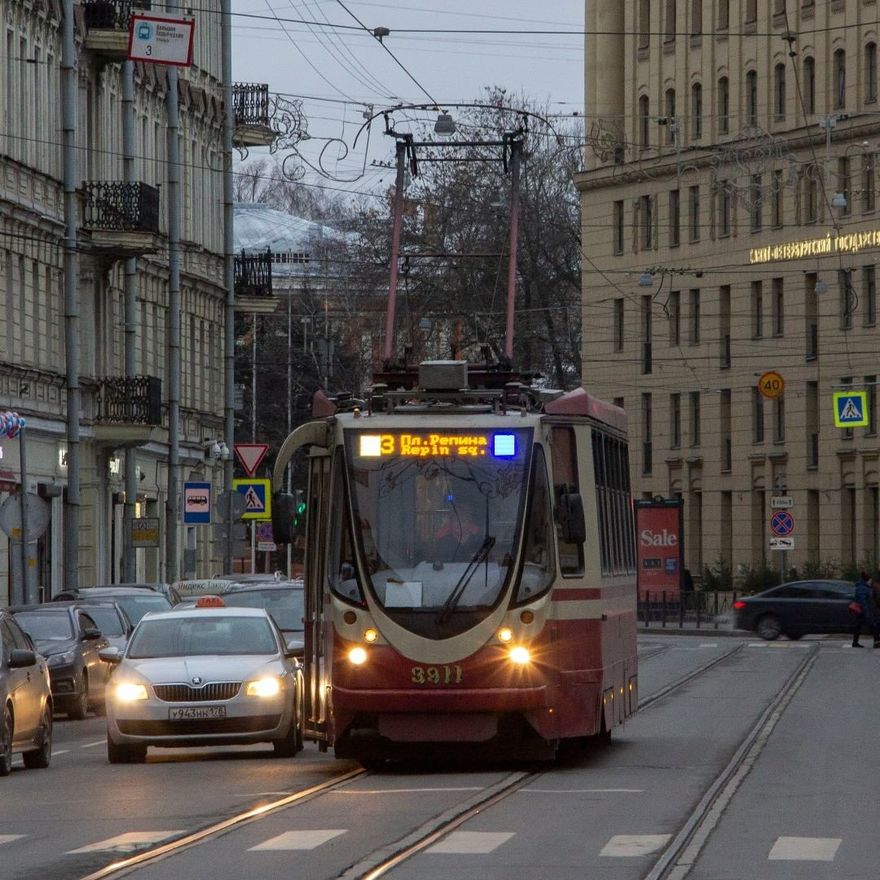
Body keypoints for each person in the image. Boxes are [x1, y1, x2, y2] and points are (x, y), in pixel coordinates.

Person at [851, 571, 879, 647]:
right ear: (867, 580)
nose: (871, 582)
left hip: (861, 611)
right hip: (864, 611)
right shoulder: (862, 588)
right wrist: (867, 613)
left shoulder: (861, 587)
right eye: (870, 580)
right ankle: (877, 643)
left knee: (858, 626)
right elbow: (863, 601)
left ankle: (855, 642)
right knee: (874, 625)